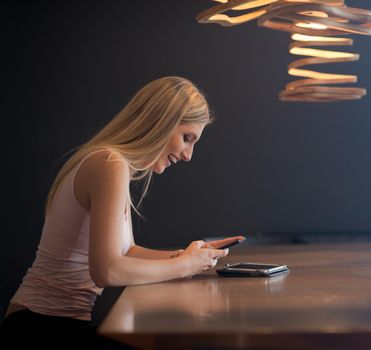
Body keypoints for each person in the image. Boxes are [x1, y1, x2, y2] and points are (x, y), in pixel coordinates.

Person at [0, 76, 244, 348]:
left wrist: (189, 256)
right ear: (160, 121)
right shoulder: (109, 163)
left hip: (48, 323)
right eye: (187, 138)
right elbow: (106, 271)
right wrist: (184, 266)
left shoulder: (113, 163)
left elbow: (125, 252)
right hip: (40, 328)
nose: (189, 155)